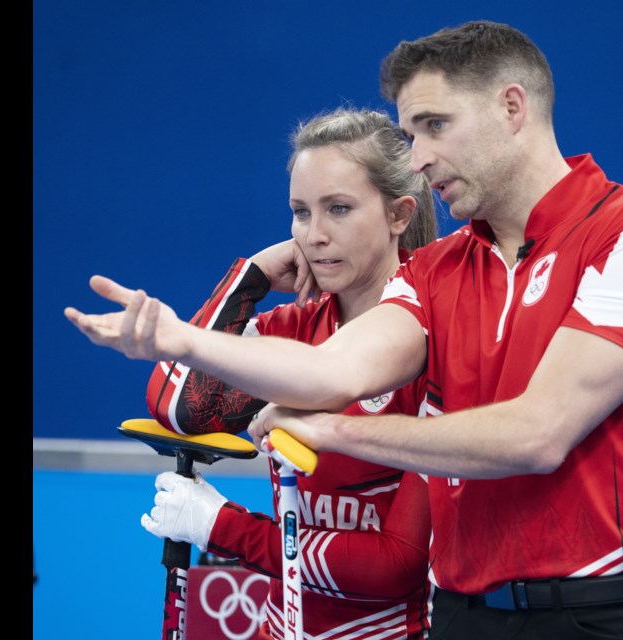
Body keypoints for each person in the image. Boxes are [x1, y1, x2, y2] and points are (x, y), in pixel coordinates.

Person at [66, 21, 623, 639]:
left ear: (512, 108)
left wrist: (332, 432)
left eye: (435, 126)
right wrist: (176, 338)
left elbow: (538, 434)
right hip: (464, 617)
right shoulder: (438, 271)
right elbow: (332, 371)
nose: (420, 157)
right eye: (410, 134)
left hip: (607, 613)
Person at [138, 107, 438, 640]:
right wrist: (247, 278)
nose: (315, 235)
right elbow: (179, 406)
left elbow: (395, 567)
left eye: (339, 209)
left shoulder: (439, 332)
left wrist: (222, 527)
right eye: (301, 212)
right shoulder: (296, 325)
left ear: (399, 214)